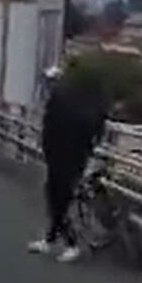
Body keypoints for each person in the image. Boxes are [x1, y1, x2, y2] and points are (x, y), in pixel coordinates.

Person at [31, 68, 108, 263]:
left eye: (49, 82)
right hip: (71, 156)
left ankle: (71, 244)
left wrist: (47, 148)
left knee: (58, 200)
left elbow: (51, 130)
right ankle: (50, 239)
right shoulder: (73, 102)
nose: (48, 86)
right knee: (56, 196)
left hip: (64, 157)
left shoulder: (60, 102)